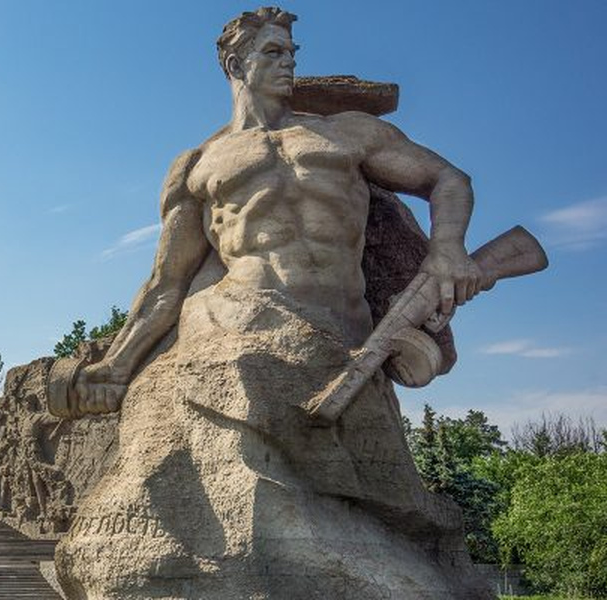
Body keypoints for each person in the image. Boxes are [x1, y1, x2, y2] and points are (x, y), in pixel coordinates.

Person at [53, 7, 499, 598]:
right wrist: (116, 365)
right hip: (234, 322)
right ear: (235, 64)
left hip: (339, 338)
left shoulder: (347, 133)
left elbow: (449, 179)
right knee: (228, 388)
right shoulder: (198, 167)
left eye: (292, 51)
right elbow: (166, 283)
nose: (289, 62)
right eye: (272, 52)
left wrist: (447, 250)